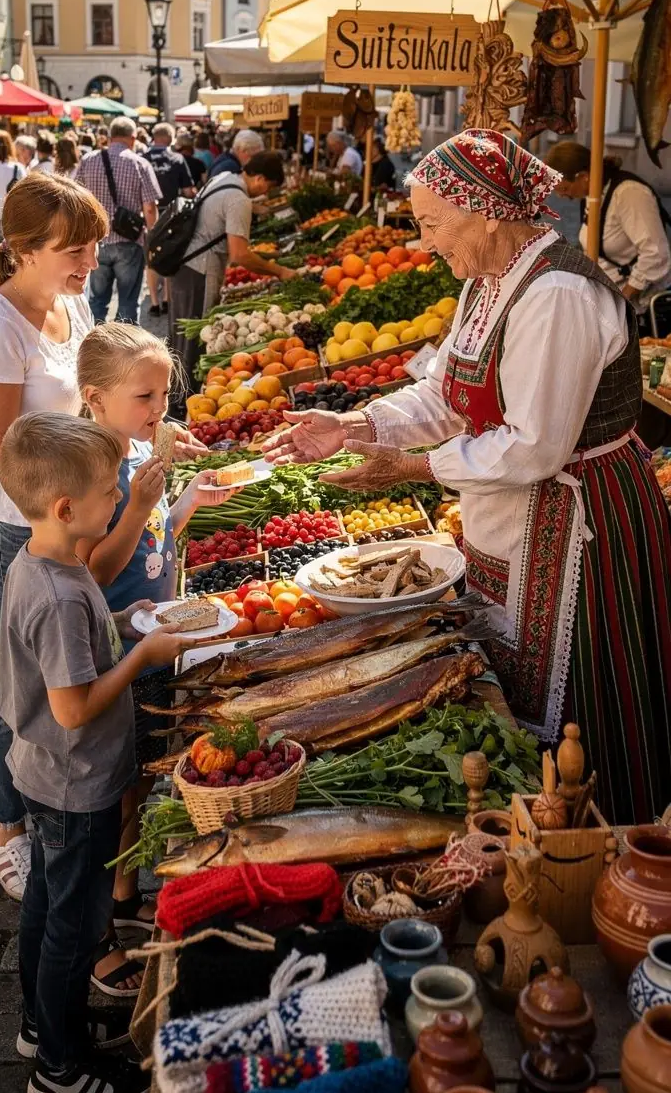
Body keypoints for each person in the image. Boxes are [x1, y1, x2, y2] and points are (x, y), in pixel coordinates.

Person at [268, 129, 671, 825]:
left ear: (484, 210)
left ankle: (600, 846)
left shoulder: (557, 294)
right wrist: (357, 424)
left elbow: (534, 447)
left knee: (585, 699)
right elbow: (445, 394)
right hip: (510, 518)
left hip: (581, 527)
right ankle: (531, 829)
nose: (426, 243)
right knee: (514, 689)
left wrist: (415, 467)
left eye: (432, 223)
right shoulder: (488, 284)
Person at [0, 410, 184, 1093]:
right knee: (74, 930)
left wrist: (125, 624)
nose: (121, 498)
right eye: (111, 492)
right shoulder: (59, 595)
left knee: (47, 908)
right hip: (76, 784)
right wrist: (141, 654)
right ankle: (60, 1069)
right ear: (67, 508)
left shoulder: (44, 564)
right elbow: (73, 708)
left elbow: (75, 657)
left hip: (46, 775)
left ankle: (42, 1025)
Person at [0, 173, 107, 899]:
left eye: (95, 246)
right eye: (76, 249)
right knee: (22, 685)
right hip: (18, 527)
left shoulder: (69, 304)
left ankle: (34, 800)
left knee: (54, 675)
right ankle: (2, 832)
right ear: (24, 250)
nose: (91, 262)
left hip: (63, 516)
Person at [76, 324, 237, 983]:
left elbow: (154, 540)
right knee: (111, 792)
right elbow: (93, 570)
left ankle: (123, 895)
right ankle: (96, 937)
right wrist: (140, 500)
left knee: (141, 777)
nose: (159, 408)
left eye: (165, 393)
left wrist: (187, 502)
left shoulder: (139, 451)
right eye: (144, 396)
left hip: (155, 640)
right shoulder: (92, 470)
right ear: (95, 398)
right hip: (119, 650)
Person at [169, 149, 297, 392]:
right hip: (200, 271)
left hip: (184, 265)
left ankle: (177, 395)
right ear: (259, 179)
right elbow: (239, 254)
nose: (265, 193)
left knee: (180, 338)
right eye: (268, 187)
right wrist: (279, 271)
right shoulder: (239, 199)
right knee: (194, 342)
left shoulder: (225, 178)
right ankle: (185, 399)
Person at [548, 141, 671, 314]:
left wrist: (621, 300)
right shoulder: (591, 196)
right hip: (607, 294)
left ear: (583, 176)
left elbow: (656, 254)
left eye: (564, 188)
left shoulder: (629, 194)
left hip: (639, 304)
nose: (562, 196)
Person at [75, 117, 161, 325]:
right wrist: (152, 237)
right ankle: (125, 343)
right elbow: (150, 208)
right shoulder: (139, 163)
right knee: (128, 302)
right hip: (129, 242)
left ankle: (93, 340)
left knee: (97, 300)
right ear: (133, 138)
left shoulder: (88, 160)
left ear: (110, 136)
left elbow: (75, 199)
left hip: (95, 241)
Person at [143, 123, 196, 318]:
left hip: (148, 215)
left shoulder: (142, 159)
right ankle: (166, 299)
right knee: (169, 255)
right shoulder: (177, 159)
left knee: (150, 259)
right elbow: (188, 191)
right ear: (170, 138)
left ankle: (154, 303)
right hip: (171, 215)